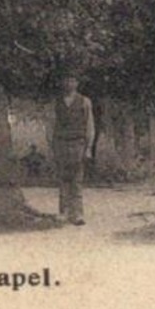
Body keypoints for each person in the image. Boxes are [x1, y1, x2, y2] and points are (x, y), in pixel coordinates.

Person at [50, 74, 94, 225]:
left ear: (77, 83)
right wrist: (53, 145)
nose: (69, 84)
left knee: (77, 179)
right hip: (61, 142)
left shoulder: (85, 102)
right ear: (62, 83)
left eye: (72, 80)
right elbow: (51, 125)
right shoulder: (56, 102)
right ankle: (64, 212)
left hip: (78, 143)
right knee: (63, 179)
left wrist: (88, 148)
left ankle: (78, 214)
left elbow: (89, 125)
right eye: (66, 80)